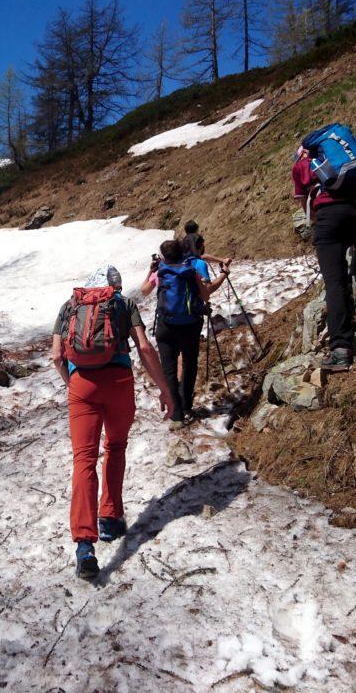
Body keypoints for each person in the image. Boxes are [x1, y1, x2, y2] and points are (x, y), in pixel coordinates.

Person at [51, 265, 173, 580]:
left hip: (82, 386)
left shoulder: (70, 306)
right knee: (115, 446)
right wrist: (165, 390)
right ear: (113, 287)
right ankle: (111, 518)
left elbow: (55, 356)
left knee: (84, 460)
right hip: (119, 382)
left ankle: (84, 546)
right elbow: (144, 348)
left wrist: (72, 384)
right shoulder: (123, 303)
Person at [293, 146, 356, 371]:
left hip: (328, 220)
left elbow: (308, 210)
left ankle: (341, 350)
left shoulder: (301, 166)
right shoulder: (351, 158)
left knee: (335, 282)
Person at [141, 239, 228, 428]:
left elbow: (144, 291)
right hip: (190, 324)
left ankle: (177, 415)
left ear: (163, 256)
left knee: (169, 369)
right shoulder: (191, 271)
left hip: (166, 325)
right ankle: (187, 403)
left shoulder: (160, 272)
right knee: (190, 363)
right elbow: (205, 296)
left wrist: (152, 270)